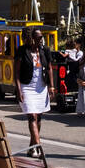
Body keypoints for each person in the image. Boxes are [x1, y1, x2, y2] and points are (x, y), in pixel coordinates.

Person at [15, 28, 56, 156]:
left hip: (41, 87)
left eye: (41, 37)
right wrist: (18, 89)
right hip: (27, 87)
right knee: (31, 116)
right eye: (38, 38)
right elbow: (16, 73)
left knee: (38, 117)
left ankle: (32, 147)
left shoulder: (45, 50)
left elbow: (49, 68)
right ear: (32, 38)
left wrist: (51, 86)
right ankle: (38, 145)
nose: (41, 40)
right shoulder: (22, 51)